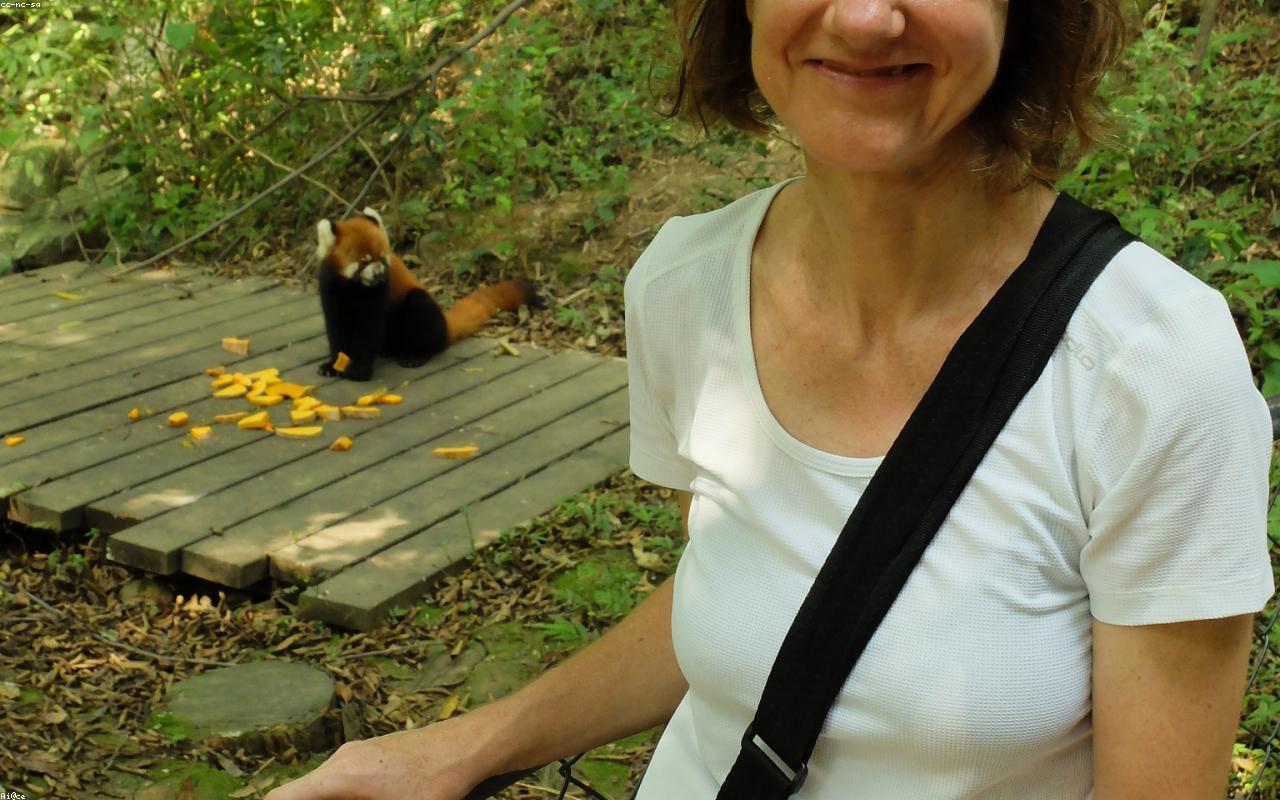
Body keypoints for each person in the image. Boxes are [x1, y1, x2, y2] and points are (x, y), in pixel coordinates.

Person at [268, 0, 1276, 798]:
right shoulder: (682, 288)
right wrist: (464, 742)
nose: (865, 18)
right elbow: (738, 593)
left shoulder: (1146, 363)